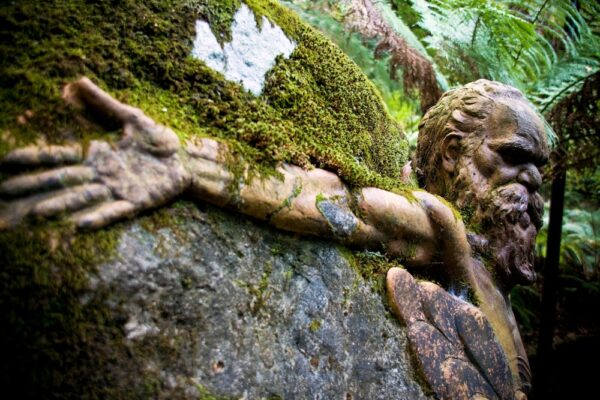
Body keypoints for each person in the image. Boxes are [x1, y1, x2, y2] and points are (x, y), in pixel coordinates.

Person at [0, 78, 548, 399]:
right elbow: (349, 206)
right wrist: (193, 165)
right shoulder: (442, 230)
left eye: (540, 168)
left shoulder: (495, 285)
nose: (532, 181)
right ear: (451, 152)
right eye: (513, 157)